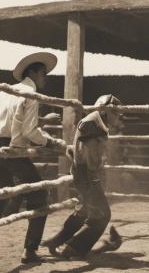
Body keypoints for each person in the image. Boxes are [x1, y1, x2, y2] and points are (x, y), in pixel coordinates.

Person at [0, 52, 65, 263]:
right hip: (11, 146)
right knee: (39, 194)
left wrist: (40, 121)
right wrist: (52, 142)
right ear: (32, 72)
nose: (45, 77)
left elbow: (13, 119)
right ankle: (30, 250)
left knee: (6, 189)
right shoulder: (31, 94)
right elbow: (29, 131)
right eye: (43, 73)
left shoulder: (7, 90)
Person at [41, 94, 124, 259]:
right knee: (102, 214)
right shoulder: (93, 124)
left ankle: (57, 240)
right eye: (115, 112)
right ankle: (73, 248)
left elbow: (76, 150)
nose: (118, 116)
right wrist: (94, 178)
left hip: (84, 173)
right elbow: (86, 155)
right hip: (87, 174)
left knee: (85, 211)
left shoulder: (95, 122)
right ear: (105, 111)